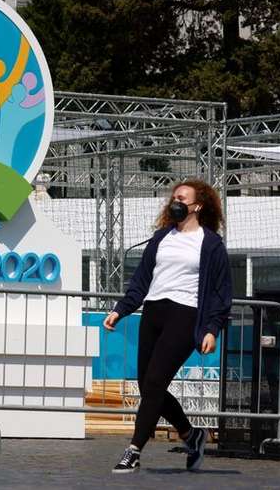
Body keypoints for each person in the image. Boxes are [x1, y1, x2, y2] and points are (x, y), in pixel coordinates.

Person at [103, 179, 232, 473]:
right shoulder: (161, 238)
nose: (175, 202)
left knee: (155, 383)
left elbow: (222, 292)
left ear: (197, 206)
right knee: (147, 385)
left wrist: (212, 327)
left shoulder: (210, 244)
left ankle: (133, 450)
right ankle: (192, 435)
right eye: (174, 197)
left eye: (182, 198)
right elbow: (141, 282)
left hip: (185, 315)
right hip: (153, 312)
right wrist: (120, 310)